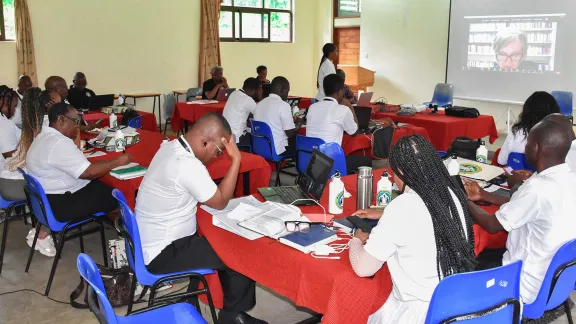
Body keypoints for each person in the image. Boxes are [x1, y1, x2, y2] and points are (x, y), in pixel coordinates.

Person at [135, 113, 267, 324]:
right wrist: (236, 160)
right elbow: (221, 201)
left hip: (152, 242)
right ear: (206, 142)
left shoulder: (170, 147)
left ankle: (230, 311)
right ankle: (232, 317)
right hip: (163, 253)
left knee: (224, 239)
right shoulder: (186, 165)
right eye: (218, 151)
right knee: (240, 250)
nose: (216, 156)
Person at [349, 135, 476, 323]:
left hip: (416, 313)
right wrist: (385, 213)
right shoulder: (451, 195)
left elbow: (363, 269)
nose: (393, 178)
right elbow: (428, 215)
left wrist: (356, 240)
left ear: (401, 171)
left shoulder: (402, 206)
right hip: (453, 304)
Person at [465, 116, 576, 304]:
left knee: (463, 261)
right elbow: (524, 206)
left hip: (523, 284)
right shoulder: (568, 179)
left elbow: (492, 225)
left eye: (528, 142)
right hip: (559, 281)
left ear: (536, 148)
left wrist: (459, 197)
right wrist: (484, 195)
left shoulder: (538, 189)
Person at [26, 102, 131, 230]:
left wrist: (106, 163)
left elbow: (83, 167)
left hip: (46, 200)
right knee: (117, 194)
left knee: (102, 187)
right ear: (62, 119)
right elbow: (88, 173)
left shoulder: (42, 137)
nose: (77, 126)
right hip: (61, 205)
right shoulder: (59, 142)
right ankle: (128, 232)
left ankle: (117, 223)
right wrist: (118, 161)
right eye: (75, 121)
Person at [306, 74, 371, 171]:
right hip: (330, 161)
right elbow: (354, 132)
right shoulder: (343, 110)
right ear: (340, 92)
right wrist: (350, 106)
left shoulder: (312, 107)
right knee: (367, 161)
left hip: (310, 158)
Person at [497, 91, 560, 165]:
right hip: (543, 175)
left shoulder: (516, 133)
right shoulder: (559, 138)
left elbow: (501, 160)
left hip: (515, 175)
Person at [253, 76, 304, 156]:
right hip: (277, 149)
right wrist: (299, 123)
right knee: (303, 144)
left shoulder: (259, 104)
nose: (287, 95)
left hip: (259, 147)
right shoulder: (283, 105)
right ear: (283, 90)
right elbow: (290, 134)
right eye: (288, 91)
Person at [222, 77, 260, 146]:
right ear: (253, 90)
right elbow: (259, 114)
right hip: (237, 138)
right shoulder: (248, 99)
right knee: (257, 135)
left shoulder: (234, 93)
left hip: (225, 134)